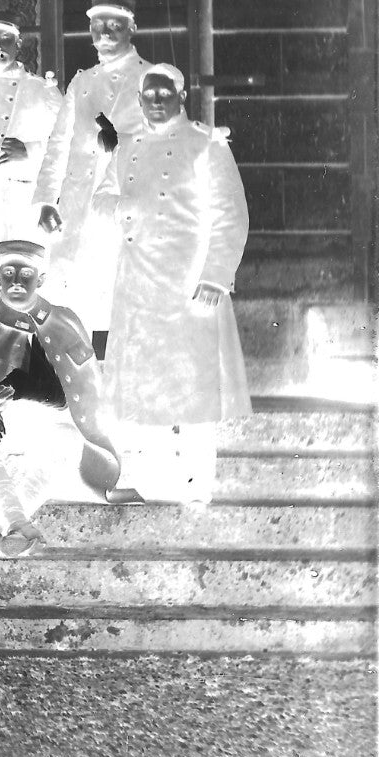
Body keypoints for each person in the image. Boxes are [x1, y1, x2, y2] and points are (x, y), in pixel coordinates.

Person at [95, 64, 250, 503]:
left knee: (194, 384)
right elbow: (100, 200)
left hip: (190, 282)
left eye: (165, 93)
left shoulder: (206, 144)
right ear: (140, 100)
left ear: (181, 97)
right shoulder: (127, 147)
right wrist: (121, 207)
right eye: (149, 95)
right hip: (139, 283)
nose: (157, 101)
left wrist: (216, 276)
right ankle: (148, 481)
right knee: (142, 384)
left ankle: (197, 485)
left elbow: (231, 214)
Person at [0, 240, 143, 557]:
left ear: (40, 280)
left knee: (68, 441)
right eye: (8, 273)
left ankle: (6, 524)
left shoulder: (65, 321)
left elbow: (89, 383)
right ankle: (17, 524)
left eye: (25, 274)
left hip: (47, 422)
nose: (16, 281)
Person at [33, 0, 152, 336]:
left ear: (132, 28)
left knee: (116, 296)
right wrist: (46, 201)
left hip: (121, 202)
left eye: (115, 25)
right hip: (76, 203)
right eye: (98, 25)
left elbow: (166, 141)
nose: (105, 33)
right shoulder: (82, 82)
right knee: (72, 299)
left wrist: (120, 142)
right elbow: (57, 144)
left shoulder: (150, 78)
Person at [0, 19, 63, 243]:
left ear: (18, 44)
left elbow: (65, 145)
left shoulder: (43, 90)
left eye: (5, 38)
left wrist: (30, 150)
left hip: (26, 202)